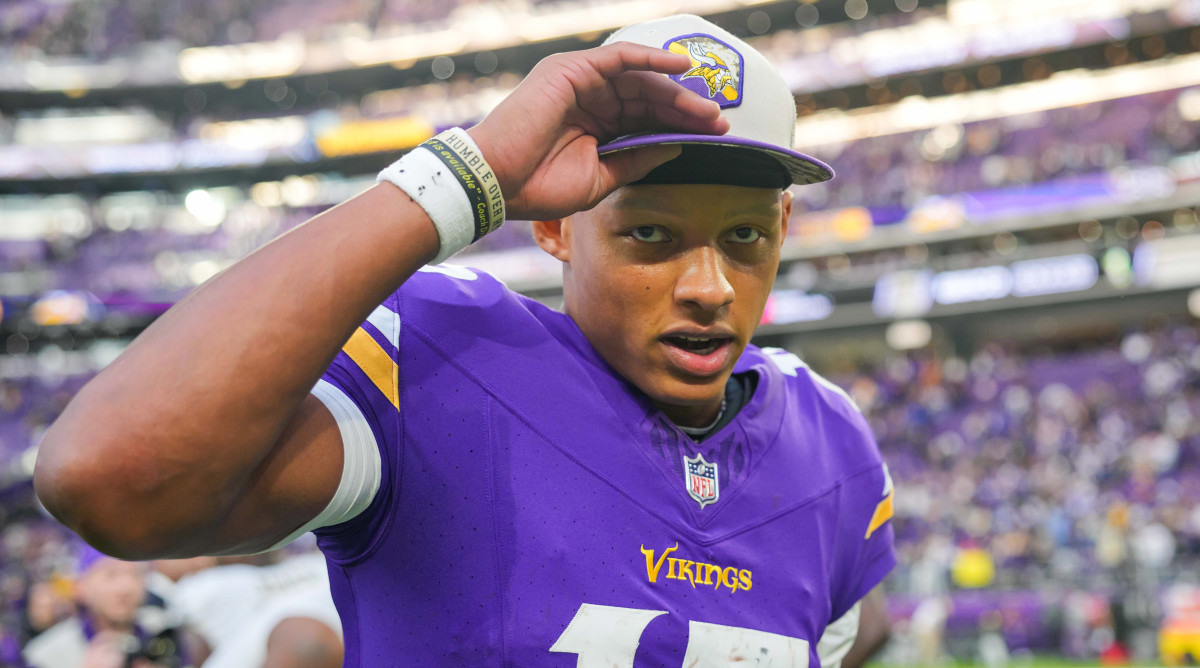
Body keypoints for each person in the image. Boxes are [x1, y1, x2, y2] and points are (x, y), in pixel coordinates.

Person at [35, 14, 895, 666]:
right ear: (557, 228)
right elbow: (110, 478)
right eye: (651, 239)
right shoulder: (447, 359)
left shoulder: (832, 444)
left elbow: (852, 627)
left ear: (784, 223)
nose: (708, 289)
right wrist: (465, 175)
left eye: (745, 237)